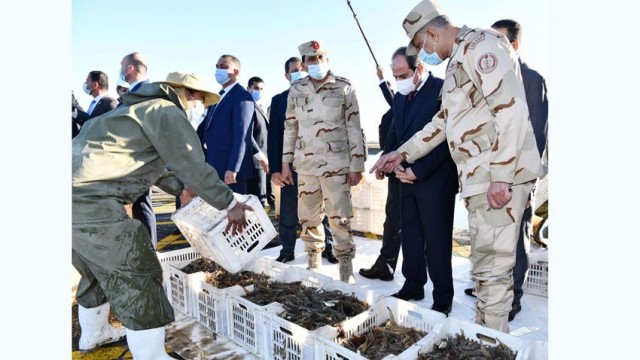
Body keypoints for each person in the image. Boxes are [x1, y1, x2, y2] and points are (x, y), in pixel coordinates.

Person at [370, 0, 542, 332]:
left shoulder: (482, 45)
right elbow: (444, 122)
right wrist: (401, 153)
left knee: (492, 273)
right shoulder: (457, 61)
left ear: (432, 33)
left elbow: (511, 109)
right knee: (485, 273)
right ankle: (486, 337)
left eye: (422, 46)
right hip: (480, 177)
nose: (425, 53)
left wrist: (502, 177)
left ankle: (493, 344)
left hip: (496, 176)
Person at [72, 71, 253, 358]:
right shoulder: (164, 110)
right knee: (139, 279)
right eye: (198, 101)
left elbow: (151, 165)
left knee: (95, 272)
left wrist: (181, 187)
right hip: (96, 202)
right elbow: (190, 163)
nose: (198, 107)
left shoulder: (124, 113)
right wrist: (229, 203)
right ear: (186, 94)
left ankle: (94, 335)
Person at [463, 18, 550, 322]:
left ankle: (512, 297)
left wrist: (524, 185)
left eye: (498, 43)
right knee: (489, 239)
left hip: (515, 182)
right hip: (489, 179)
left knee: (515, 240)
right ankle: (490, 289)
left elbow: (536, 135)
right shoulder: (486, 80)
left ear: (513, 45)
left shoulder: (531, 79)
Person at [380, 47, 458, 316]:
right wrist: (389, 164)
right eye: (394, 75)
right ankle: (413, 285)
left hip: (435, 180)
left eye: (402, 74)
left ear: (420, 69)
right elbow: (396, 136)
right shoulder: (400, 97)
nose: (398, 80)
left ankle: (442, 297)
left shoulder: (443, 90)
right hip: (404, 177)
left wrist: (419, 169)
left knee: (436, 241)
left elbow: (448, 137)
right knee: (410, 236)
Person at [281, 40, 366, 283]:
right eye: (311, 60)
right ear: (304, 64)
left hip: (336, 166)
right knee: (308, 217)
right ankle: (312, 260)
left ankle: (345, 266)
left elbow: (354, 127)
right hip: (306, 167)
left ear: (327, 60)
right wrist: (285, 163)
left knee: (340, 217)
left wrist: (357, 165)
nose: (316, 63)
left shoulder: (343, 87)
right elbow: (290, 127)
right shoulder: (296, 90)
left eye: (320, 58)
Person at [269, 56, 337, 264]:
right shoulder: (279, 100)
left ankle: (328, 247)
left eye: (302, 69)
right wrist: (276, 169)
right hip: (291, 166)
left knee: (323, 208)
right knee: (289, 209)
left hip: (319, 165)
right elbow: (274, 138)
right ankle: (287, 249)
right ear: (287, 75)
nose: (299, 73)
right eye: (294, 70)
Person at [358, 67, 403, 281]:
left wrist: (382, 80)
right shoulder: (400, 102)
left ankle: (387, 264)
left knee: (395, 221)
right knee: (395, 221)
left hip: (402, 168)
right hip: (394, 167)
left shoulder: (405, 101)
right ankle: (387, 264)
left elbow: (393, 97)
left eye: (402, 76)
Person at [197, 54, 256, 194]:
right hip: (214, 165)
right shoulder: (218, 96)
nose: (219, 70)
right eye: (217, 67)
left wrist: (233, 168)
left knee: (234, 213)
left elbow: (243, 136)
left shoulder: (242, 96)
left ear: (236, 72)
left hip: (230, 171)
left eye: (223, 67)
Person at [119, 52, 158, 249]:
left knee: (142, 205)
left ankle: (150, 249)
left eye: (122, 65)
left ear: (130, 68)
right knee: (137, 206)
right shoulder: (135, 91)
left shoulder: (146, 92)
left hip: (139, 160)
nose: (120, 69)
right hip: (130, 160)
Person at [246, 76, 271, 208]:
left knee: (262, 198)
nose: (259, 91)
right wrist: (260, 156)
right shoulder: (248, 107)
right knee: (258, 201)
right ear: (248, 88)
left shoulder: (258, 107)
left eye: (261, 89)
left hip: (262, 161)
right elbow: (247, 135)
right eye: (256, 88)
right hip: (255, 162)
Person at [72, 71, 119, 137]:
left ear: (95, 85)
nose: (85, 84)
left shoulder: (110, 104)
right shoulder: (94, 103)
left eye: (87, 82)